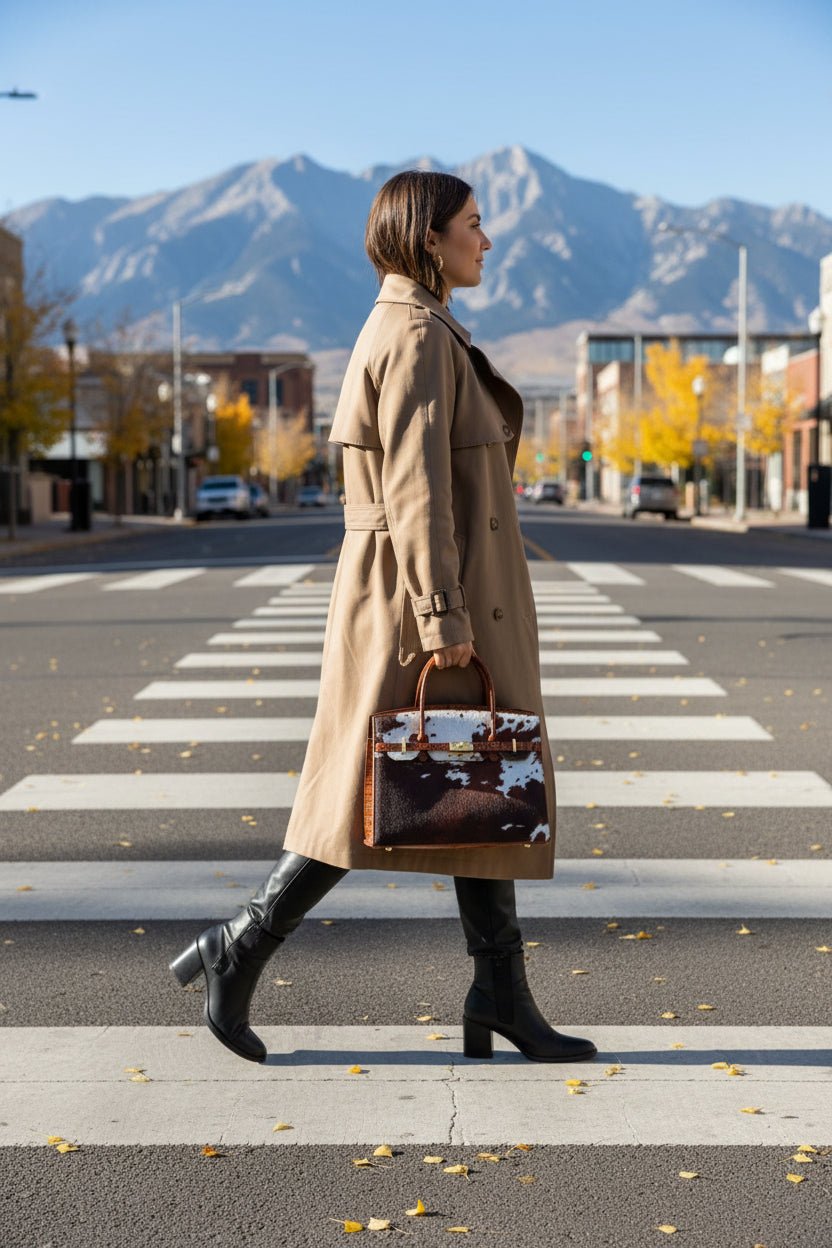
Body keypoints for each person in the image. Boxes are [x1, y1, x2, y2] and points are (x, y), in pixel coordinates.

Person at [170, 171, 597, 1067]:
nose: (489, 240)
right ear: (429, 238)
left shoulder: (425, 327)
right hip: (424, 595)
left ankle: (501, 991)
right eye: (475, 225)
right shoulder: (411, 335)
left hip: (431, 587)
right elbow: (416, 489)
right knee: (377, 794)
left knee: (474, 787)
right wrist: (443, 618)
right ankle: (240, 945)